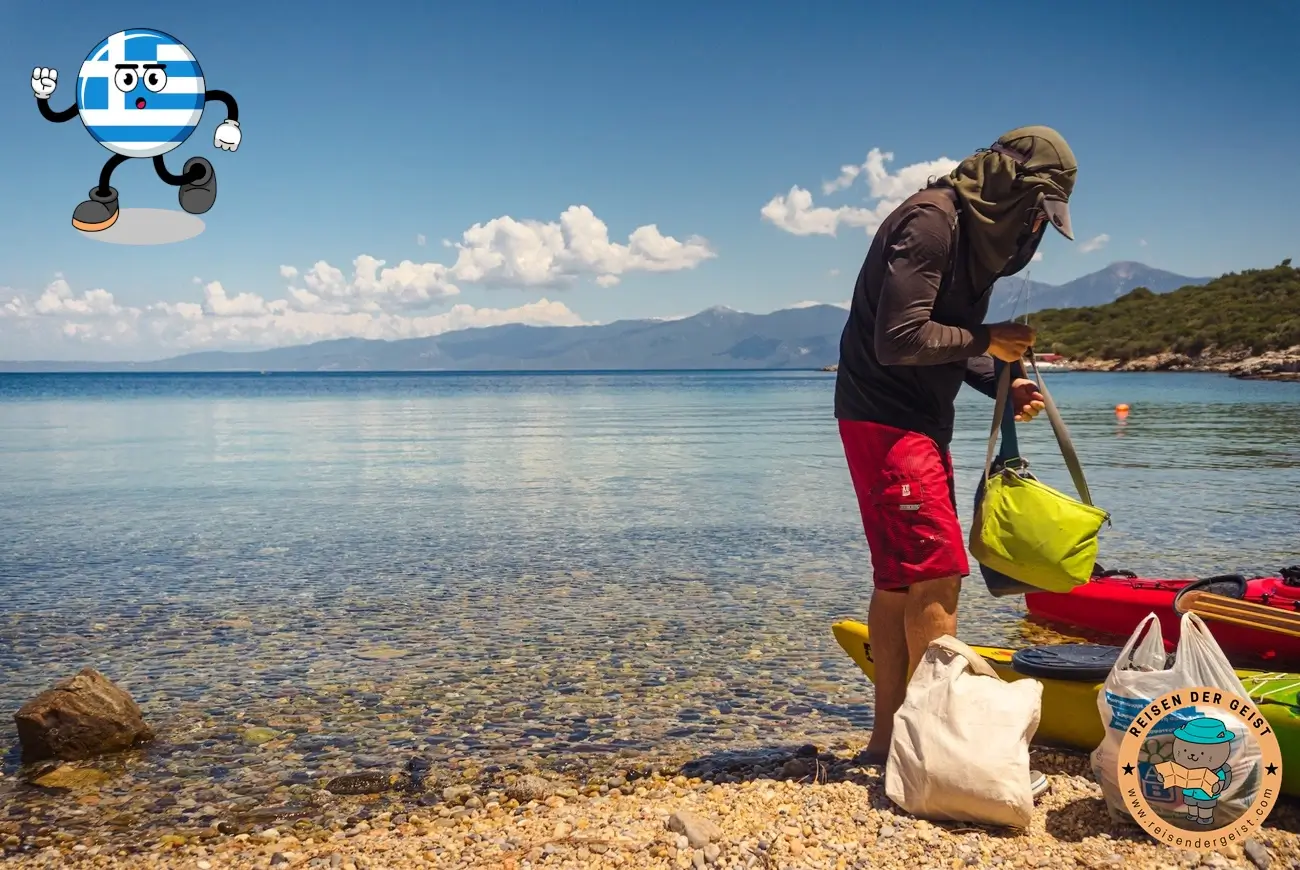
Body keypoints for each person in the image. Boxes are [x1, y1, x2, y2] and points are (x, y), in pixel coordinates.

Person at [834, 126, 1078, 766]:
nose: (1035, 232)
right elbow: (901, 339)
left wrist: (1001, 378)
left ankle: (889, 745)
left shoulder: (972, 238)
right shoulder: (932, 223)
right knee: (939, 572)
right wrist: (988, 340)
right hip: (887, 421)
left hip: (905, 419)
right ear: (1008, 189)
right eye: (1036, 213)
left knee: (899, 581)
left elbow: (949, 343)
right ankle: (934, 747)